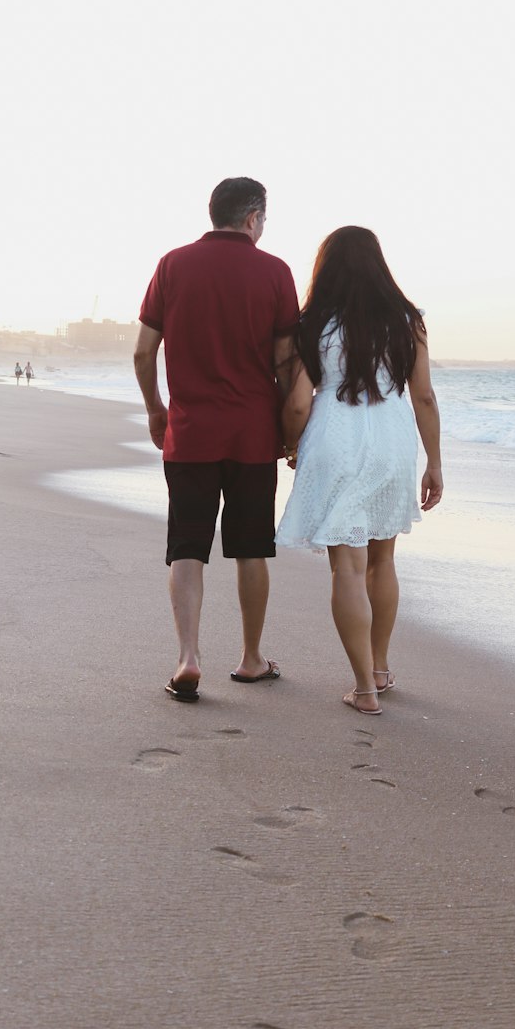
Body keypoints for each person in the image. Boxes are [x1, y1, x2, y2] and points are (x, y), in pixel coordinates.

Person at [134, 177, 299, 702]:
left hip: (190, 434)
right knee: (252, 548)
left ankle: (188, 656)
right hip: (253, 436)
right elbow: (285, 363)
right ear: (253, 218)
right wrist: (291, 430)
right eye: (264, 220)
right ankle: (251, 659)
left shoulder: (172, 265)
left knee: (187, 547)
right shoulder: (275, 272)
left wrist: (156, 409)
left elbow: (143, 352)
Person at [276, 226, 443, 716]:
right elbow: (425, 397)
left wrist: (290, 444)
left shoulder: (313, 324)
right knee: (383, 560)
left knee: (346, 566)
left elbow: (300, 400)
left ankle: (363, 688)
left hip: (334, 438)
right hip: (393, 440)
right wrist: (434, 461)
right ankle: (381, 668)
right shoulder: (407, 320)